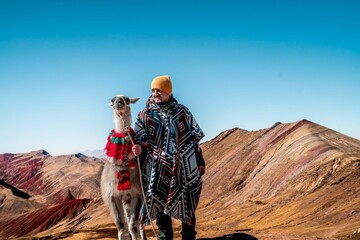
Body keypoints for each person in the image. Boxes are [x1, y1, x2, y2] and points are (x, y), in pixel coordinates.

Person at [132, 75, 205, 240]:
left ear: (168, 91)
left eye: (159, 90)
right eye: (153, 90)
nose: (155, 93)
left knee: (187, 207)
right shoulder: (145, 115)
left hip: (184, 171)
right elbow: (140, 140)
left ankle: (188, 237)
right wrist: (139, 148)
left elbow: (193, 138)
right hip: (157, 172)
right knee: (161, 212)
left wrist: (199, 161)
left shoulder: (183, 112)